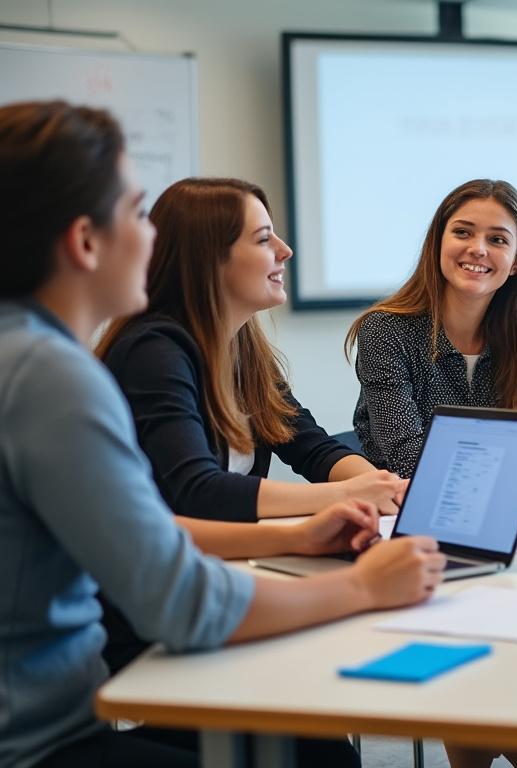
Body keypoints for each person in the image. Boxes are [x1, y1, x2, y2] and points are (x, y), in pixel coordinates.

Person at [0, 100, 445, 768]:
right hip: (44, 741)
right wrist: (364, 587)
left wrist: (302, 531)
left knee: (316, 743)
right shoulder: (54, 375)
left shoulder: (34, 356)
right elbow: (183, 596)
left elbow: (148, 526)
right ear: (86, 242)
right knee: (316, 748)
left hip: (60, 707)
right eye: (134, 213)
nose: (148, 239)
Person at [97, 177, 405, 523]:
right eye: (263, 239)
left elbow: (309, 446)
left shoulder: (243, 351)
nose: (285, 250)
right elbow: (199, 493)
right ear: (209, 259)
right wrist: (347, 495)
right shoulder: (152, 353)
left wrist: (384, 486)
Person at [348, 180, 517, 486]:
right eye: (462, 232)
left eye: (498, 239)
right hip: (407, 512)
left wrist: (506, 460)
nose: (477, 249)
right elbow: (407, 456)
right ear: (438, 242)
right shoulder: (386, 331)